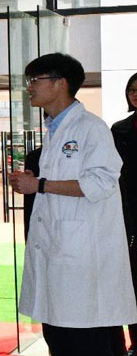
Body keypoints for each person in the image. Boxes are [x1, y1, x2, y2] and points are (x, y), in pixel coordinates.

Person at [9, 53, 136, 356]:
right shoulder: (55, 129)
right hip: (58, 251)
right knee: (58, 336)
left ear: (60, 83)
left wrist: (40, 185)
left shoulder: (91, 128)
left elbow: (101, 182)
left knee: (84, 340)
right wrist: (36, 181)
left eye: (35, 80)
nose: (29, 87)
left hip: (83, 256)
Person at [113, 72, 137, 356]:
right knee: (132, 285)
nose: (135, 94)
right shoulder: (119, 129)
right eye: (132, 90)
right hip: (129, 214)